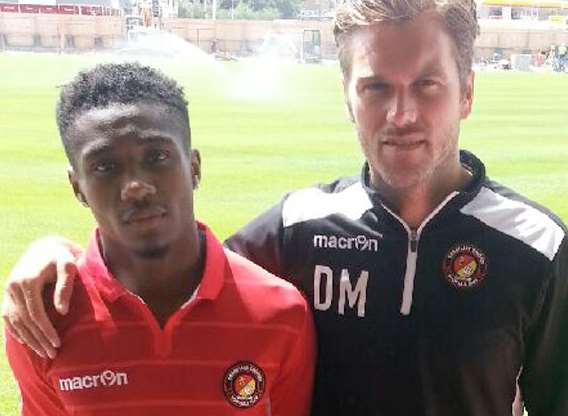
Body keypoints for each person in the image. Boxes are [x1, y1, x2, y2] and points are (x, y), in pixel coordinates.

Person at [3, 0, 568, 415]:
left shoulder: (537, 246)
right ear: (346, 96)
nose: (401, 114)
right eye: (375, 88)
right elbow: (181, 272)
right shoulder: (296, 228)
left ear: (467, 91)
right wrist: (58, 252)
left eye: (427, 85)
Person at [4, 62, 315, 416]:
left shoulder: (281, 312)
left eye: (157, 157)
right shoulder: (42, 322)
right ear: (78, 188)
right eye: (105, 166)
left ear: (194, 167)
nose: (136, 187)